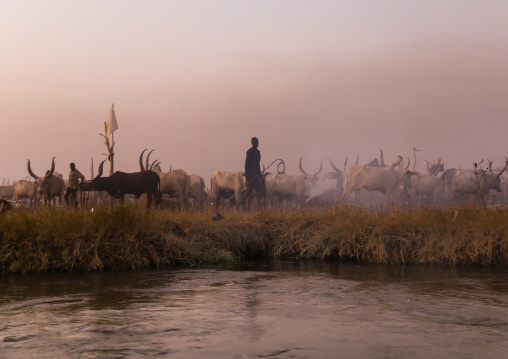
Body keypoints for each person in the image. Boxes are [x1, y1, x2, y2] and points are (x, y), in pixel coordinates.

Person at [237, 137, 266, 210]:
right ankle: (239, 204)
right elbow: (246, 165)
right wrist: (247, 177)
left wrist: (260, 175)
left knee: (258, 192)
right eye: (255, 142)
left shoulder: (258, 152)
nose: (256, 143)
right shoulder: (249, 152)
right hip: (251, 176)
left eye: (257, 142)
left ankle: (259, 209)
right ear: (252, 143)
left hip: (256, 176)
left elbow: (257, 165)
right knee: (248, 192)